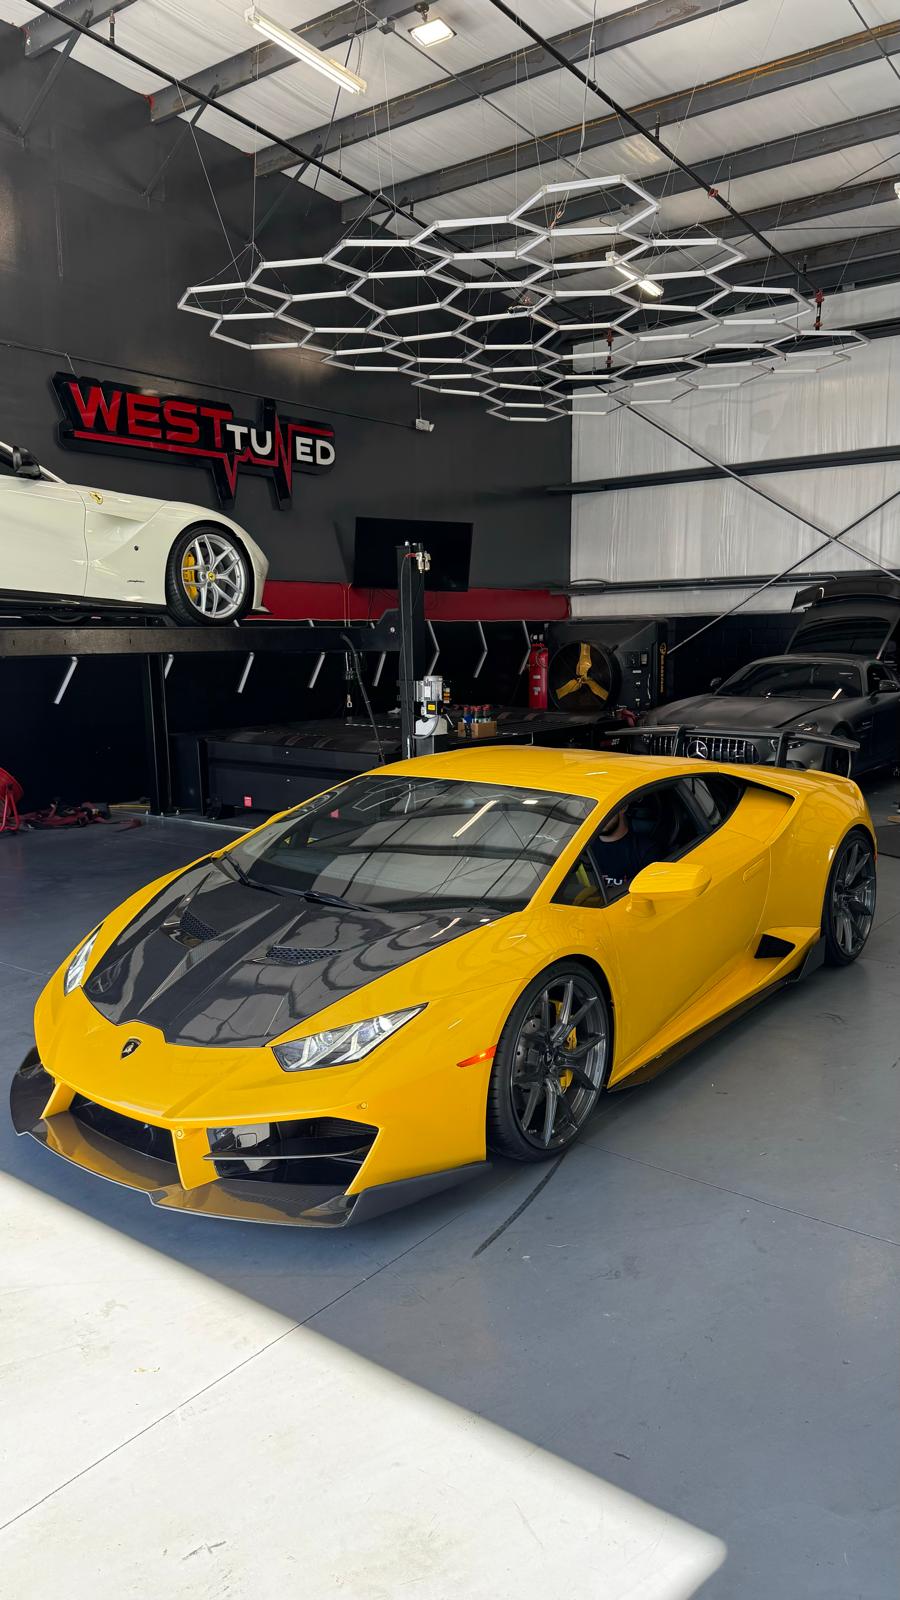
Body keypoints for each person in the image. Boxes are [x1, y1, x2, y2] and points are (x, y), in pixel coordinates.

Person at [593, 807, 647, 896]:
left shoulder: (645, 849)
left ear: (623, 808)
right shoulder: (582, 848)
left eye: (604, 810)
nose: (599, 817)